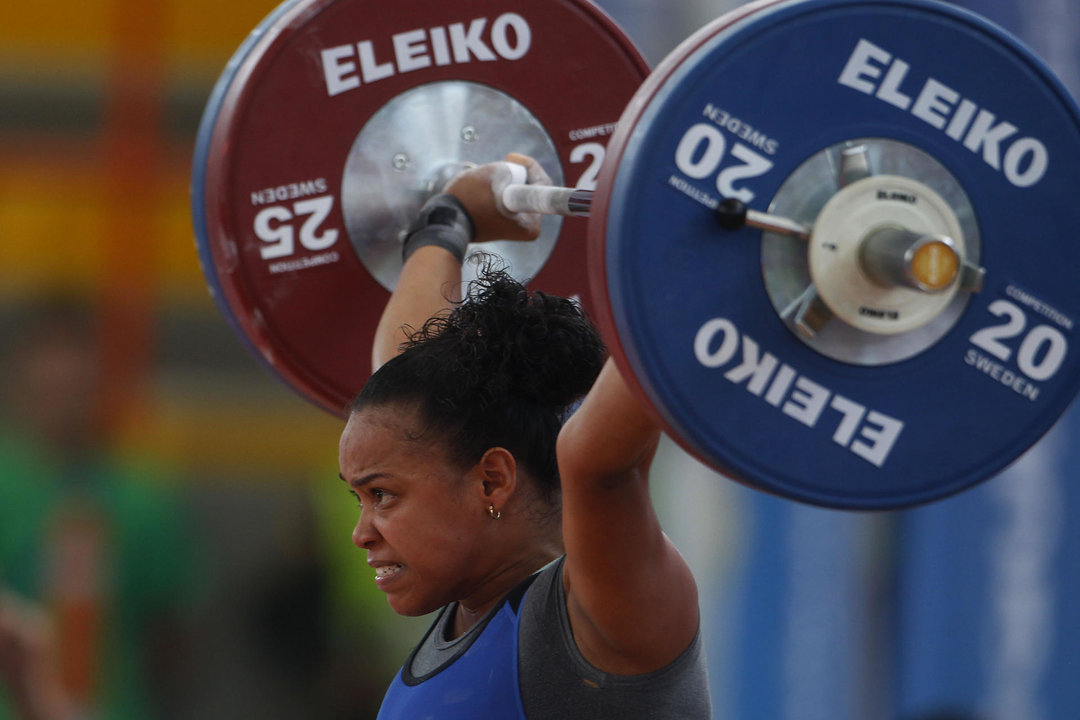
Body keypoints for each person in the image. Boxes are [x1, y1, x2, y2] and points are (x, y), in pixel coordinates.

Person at [338, 154, 710, 718]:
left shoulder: (603, 614)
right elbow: (408, 386)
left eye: (381, 495)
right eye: (361, 496)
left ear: (492, 479)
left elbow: (597, 461)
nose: (360, 534)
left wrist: (699, 253)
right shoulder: (467, 601)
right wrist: (449, 217)